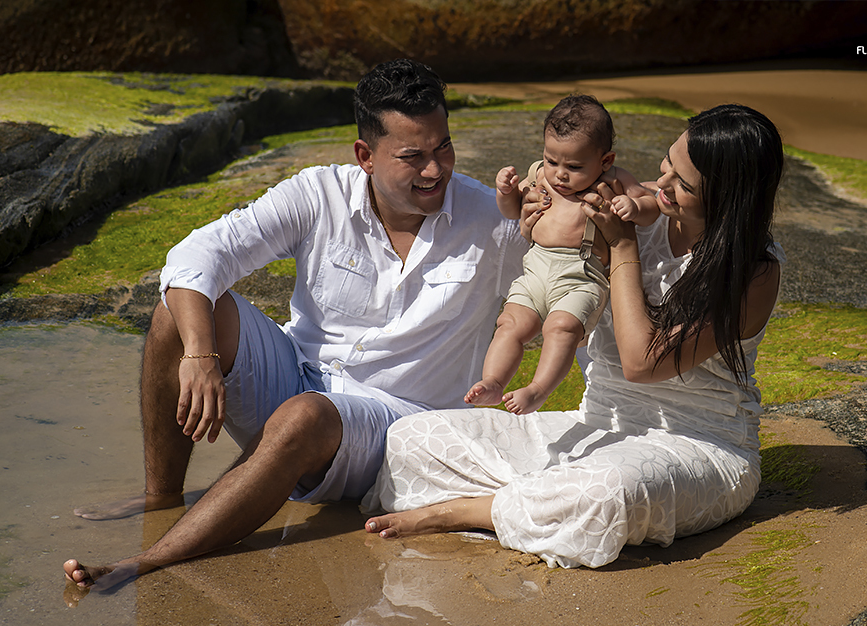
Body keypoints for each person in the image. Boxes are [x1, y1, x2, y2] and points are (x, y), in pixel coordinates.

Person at [64, 59, 526, 589]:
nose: (434, 170)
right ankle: (162, 499)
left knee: (304, 415)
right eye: (412, 156)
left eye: (443, 147)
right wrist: (199, 353)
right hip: (298, 377)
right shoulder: (319, 194)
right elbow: (197, 255)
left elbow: (571, 285)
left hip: (402, 426)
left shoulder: (495, 219)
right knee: (181, 310)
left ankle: (146, 562)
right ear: (365, 157)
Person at [363, 104, 785, 569]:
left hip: (696, 446)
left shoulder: (751, 271)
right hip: (599, 424)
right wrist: (533, 224)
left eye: (683, 185)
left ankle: (468, 511)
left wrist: (622, 245)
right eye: (668, 164)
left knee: (603, 494)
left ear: (729, 198)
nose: (661, 184)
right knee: (412, 438)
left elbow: (642, 363)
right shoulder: (635, 207)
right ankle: (533, 502)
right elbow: (555, 270)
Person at [465, 95, 657, 415]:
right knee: (510, 323)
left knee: (562, 327)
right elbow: (514, 212)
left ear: (605, 161)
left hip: (581, 275)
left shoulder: (614, 179)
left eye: (574, 166)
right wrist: (506, 191)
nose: (560, 175)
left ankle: (538, 390)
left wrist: (635, 207)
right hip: (536, 266)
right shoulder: (539, 173)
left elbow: (649, 206)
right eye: (552, 161)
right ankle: (493, 382)